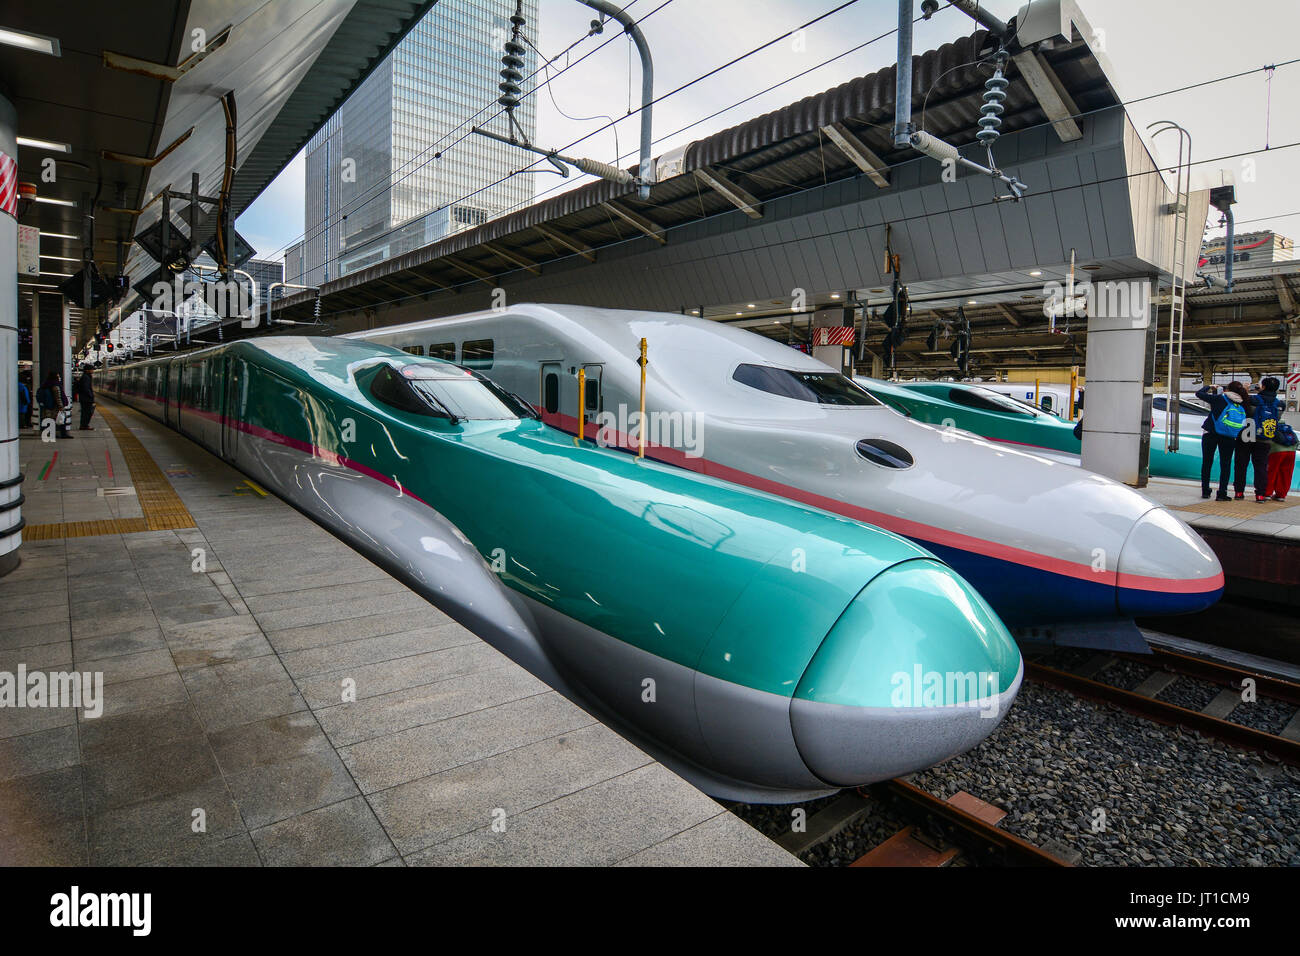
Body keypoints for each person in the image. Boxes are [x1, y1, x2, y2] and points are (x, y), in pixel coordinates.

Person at [1196, 381, 1247, 501]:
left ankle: (1205, 491)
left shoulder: (1219, 398)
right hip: (1229, 436)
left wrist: (1210, 387)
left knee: (1207, 462)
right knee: (1226, 464)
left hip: (1211, 433)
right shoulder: (1241, 402)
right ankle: (1222, 493)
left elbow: (1199, 393)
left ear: (1227, 389)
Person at [1236, 377, 1280, 502]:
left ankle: (1239, 492)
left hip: (1246, 435)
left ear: (1263, 387)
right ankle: (1260, 494)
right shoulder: (1279, 404)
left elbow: (1244, 407)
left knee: (1241, 465)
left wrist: (1245, 390)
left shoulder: (1253, 399)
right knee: (1261, 467)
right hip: (1265, 438)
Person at [36, 371, 74, 440]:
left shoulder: (46, 384)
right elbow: (58, 397)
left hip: (48, 405)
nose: (59, 378)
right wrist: (61, 406)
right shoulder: (56, 385)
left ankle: (52, 434)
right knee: (62, 419)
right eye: (58, 376)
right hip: (55, 406)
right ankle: (63, 434)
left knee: (51, 420)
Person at [75, 366, 95, 430]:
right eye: (91, 369)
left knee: (85, 412)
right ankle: (84, 425)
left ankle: (84, 425)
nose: (93, 371)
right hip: (86, 399)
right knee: (87, 412)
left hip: (84, 398)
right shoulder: (86, 377)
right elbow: (86, 388)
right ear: (87, 370)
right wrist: (91, 396)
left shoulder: (85, 376)